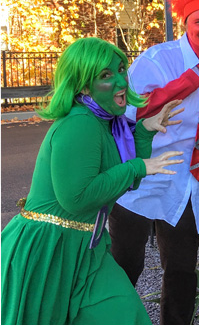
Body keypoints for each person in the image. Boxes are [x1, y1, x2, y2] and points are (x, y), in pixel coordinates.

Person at [1, 37, 183, 324]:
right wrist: (139, 166)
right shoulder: (80, 124)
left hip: (86, 247)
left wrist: (145, 132)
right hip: (50, 249)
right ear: (84, 86)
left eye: (121, 69)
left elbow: (123, 178)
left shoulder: (106, 122)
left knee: (126, 314)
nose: (121, 80)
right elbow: (77, 197)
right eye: (106, 75)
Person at [108, 0, 199, 324]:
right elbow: (123, 116)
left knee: (181, 270)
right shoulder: (157, 61)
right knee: (124, 267)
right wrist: (175, 89)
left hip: (191, 182)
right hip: (142, 177)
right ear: (186, 24)